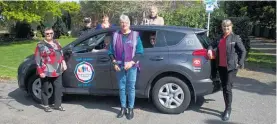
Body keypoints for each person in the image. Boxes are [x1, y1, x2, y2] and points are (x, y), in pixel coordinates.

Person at [207, 19, 246, 121]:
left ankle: (228, 110)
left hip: (231, 67)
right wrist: (210, 50)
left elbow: (243, 51)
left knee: (228, 88)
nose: (226, 28)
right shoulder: (219, 38)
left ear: (231, 26)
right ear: (222, 27)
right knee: (224, 87)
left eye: (228, 27)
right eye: (224, 27)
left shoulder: (235, 38)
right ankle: (227, 107)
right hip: (221, 66)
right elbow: (211, 44)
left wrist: (240, 63)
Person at [108, 14, 144, 120]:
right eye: (122, 23)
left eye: (126, 22)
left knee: (131, 88)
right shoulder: (115, 35)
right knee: (122, 88)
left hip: (132, 67)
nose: (124, 24)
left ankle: (131, 108)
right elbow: (110, 52)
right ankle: (123, 108)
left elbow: (140, 52)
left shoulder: (135, 35)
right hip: (119, 67)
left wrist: (132, 62)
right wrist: (114, 63)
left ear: (129, 24)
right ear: (120, 24)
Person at [34, 27, 67, 112]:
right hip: (46, 71)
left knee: (58, 88)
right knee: (45, 89)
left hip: (57, 69)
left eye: (51, 33)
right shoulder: (40, 45)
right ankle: (45, 105)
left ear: (53, 34)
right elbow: (37, 59)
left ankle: (57, 105)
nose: (49, 35)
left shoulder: (57, 43)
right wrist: (40, 71)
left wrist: (63, 62)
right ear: (44, 34)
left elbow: (61, 53)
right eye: (47, 33)